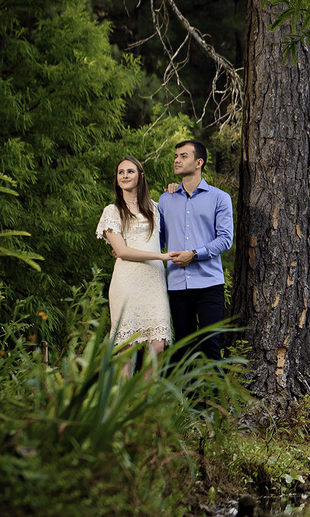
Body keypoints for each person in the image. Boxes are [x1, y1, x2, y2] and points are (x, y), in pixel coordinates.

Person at [95, 157, 173, 377]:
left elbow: (176, 226)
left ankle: (146, 404)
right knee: (126, 347)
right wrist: (162, 256)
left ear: (141, 175)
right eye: (121, 172)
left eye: (130, 171)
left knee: (157, 346)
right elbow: (122, 251)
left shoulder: (157, 208)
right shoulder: (112, 211)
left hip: (154, 283)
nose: (125, 176)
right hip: (126, 282)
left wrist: (175, 190)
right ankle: (123, 403)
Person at [158, 139, 234, 362]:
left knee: (210, 343)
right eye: (175, 156)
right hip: (177, 284)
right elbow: (158, 240)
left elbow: (226, 239)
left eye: (183, 156)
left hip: (209, 284)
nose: (177, 160)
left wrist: (194, 254)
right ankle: (189, 397)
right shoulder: (165, 199)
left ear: (199, 162)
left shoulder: (220, 198)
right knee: (183, 348)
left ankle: (216, 396)